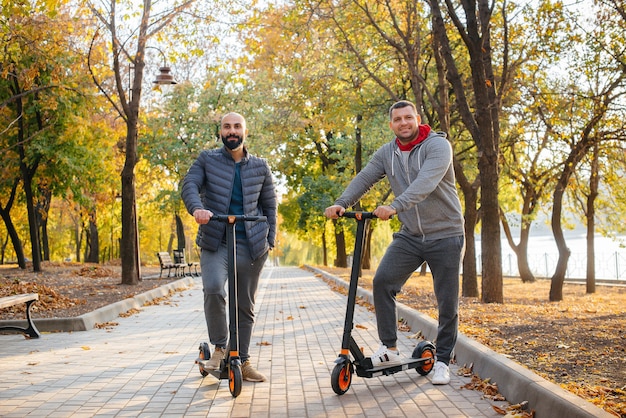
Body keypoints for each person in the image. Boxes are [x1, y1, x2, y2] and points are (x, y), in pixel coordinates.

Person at [324, 100, 464, 385]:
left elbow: (425, 183)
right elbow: (365, 178)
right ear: (392, 125)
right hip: (410, 235)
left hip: (446, 234)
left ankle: (442, 361)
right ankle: (389, 349)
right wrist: (341, 203)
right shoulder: (387, 153)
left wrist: (396, 205)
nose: (403, 123)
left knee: (447, 303)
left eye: (408, 118)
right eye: (398, 119)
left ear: (418, 119)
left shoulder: (438, 147)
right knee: (382, 281)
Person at [181, 112, 277, 382]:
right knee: (213, 289)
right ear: (220, 131)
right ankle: (221, 348)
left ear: (245, 131)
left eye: (237, 126)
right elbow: (189, 185)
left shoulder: (260, 166)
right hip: (216, 240)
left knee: (244, 305)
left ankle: (243, 360)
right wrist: (197, 208)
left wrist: (269, 241)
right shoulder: (207, 159)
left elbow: (270, 206)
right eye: (227, 127)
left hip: (251, 244)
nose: (231, 131)